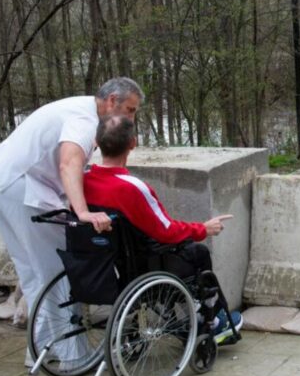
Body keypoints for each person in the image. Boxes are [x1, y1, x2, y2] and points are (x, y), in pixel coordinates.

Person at [0, 77, 143, 331]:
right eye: (130, 110)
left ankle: (42, 349)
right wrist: (82, 212)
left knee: (33, 273)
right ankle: (71, 357)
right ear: (112, 100)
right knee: (61, 271)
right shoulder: (86, 121)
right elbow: (69, 163)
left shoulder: (77, 107)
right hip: (23, 186)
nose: (131, 119)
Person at [83, 114, 242, 340]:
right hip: (141, 267)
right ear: (133, 143)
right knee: (198, 253)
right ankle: (211, 320)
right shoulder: (133, 188)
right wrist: (203, 229)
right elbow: (165, 230)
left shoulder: (84, 181)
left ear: (96, 142)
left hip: (102, 266)